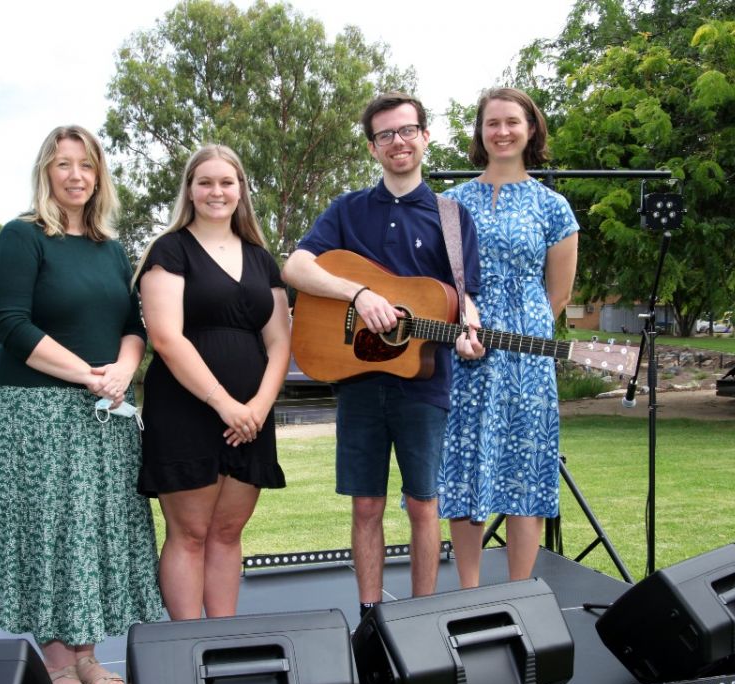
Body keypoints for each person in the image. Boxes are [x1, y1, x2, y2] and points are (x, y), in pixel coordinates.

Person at [0, 125, 163, 684]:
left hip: (103, 410)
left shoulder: (112, 249)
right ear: (45, 172)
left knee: (92, 530)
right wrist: (88, 374)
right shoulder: (22, 237)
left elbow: (134, 325)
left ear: (99, 175)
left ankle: (86, 654)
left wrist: (122, 372)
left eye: (86, 165)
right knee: (50, 528)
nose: (76, 176)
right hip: (35, 411)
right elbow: (11, 325)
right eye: (64, 165)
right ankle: (56, 663)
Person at [282, 92, 483, 620]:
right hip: (359, 383)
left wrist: (469, 332)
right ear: (373, 147)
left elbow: (466, 301)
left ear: (426, 136)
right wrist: (357, 294)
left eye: (407, 131)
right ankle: (370, 618)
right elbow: (295, 268)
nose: (399, 142)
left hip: (424, 383)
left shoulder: (453, 218)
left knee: (423, 504)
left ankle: (420, 621)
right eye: (386, 135)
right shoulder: (347, 210)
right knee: (366, 504)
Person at [136, 144, 289, 620]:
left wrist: (258, 408)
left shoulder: (263, 260)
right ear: (189, 190)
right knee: (191, 534)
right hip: (188, 411)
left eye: (227, 182)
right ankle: (187, 648)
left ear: (241, 190)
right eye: (205, 182)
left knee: (227, 533)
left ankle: (223, 638)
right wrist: (226, 405)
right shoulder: (170, 250)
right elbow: (165, 337)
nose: (216, 191)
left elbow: (281, 342)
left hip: (252, 417)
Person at [438, 88, 579, 587]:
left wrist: (521, 336)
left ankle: (521, 593)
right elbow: (443, 283)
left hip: (527, 357)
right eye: (492, 123)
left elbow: (557, 296)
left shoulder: (554, 206)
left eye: (512, 122)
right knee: (466, 464)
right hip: (464, 351)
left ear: (531, 129)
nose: (502, 131)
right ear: (479, 132)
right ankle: (469, 593)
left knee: (527, 471)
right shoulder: (450, 203)